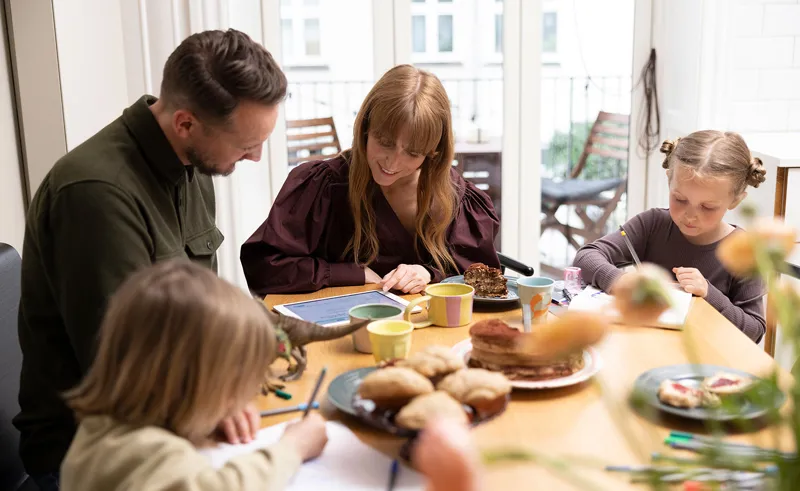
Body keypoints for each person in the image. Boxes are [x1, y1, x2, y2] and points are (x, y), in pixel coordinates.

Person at [14, 29, 287, 488]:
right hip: (93, 456)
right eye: (245, 146)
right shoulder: (95, 194)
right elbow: (122, 366)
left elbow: (195, 318)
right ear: (185, 124)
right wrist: (217, 399)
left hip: (176, 420)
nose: (257, 157)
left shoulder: (194, 163)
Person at [59, 260, 328, 490]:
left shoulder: (99, 429)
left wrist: (206, 417)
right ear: (190, 386)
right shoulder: (154, 457)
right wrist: (292, 448)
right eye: (233, 391)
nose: (238, 403)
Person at [240, 64, 501, 296]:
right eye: (384, 142)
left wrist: (429, 274)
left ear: (433, 153)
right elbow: (264, 267)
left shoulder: (459, 201)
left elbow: (482, 281)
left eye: (412, 153)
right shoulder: (322, 187)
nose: (393, 163)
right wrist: (351, 273)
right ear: (365, 127)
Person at [573, 130, 767, 342]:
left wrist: (708, 294)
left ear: (736, 200)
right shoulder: (653, 224)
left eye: (708, 207)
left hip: (705, 356)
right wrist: (620, 280)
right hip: (645, 345)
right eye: (680, 199)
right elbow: (586, 257)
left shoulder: (745, 251)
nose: (690, 215)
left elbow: (754, 331)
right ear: (669, 180)